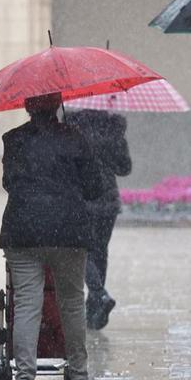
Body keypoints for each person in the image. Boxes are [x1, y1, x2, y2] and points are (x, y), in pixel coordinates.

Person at [0, 92, 106, 380]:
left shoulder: (13, 139)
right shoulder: (76, 138)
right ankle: (80, 374)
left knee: (26, 302)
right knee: (71, 302)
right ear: (57, 105)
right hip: (67, 232)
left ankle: (23, 378)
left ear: (27, 106)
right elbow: (94, 188)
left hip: (23, 231)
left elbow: (9, 183)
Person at [65, 109, 131, 330]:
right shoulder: (112, 130)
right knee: (100, 252)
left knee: (81, 250)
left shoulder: (73, 130)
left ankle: (99, 295)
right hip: (108, 202)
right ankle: (95, 308)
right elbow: (125, 168)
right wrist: (112, 148)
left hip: (82, 200)